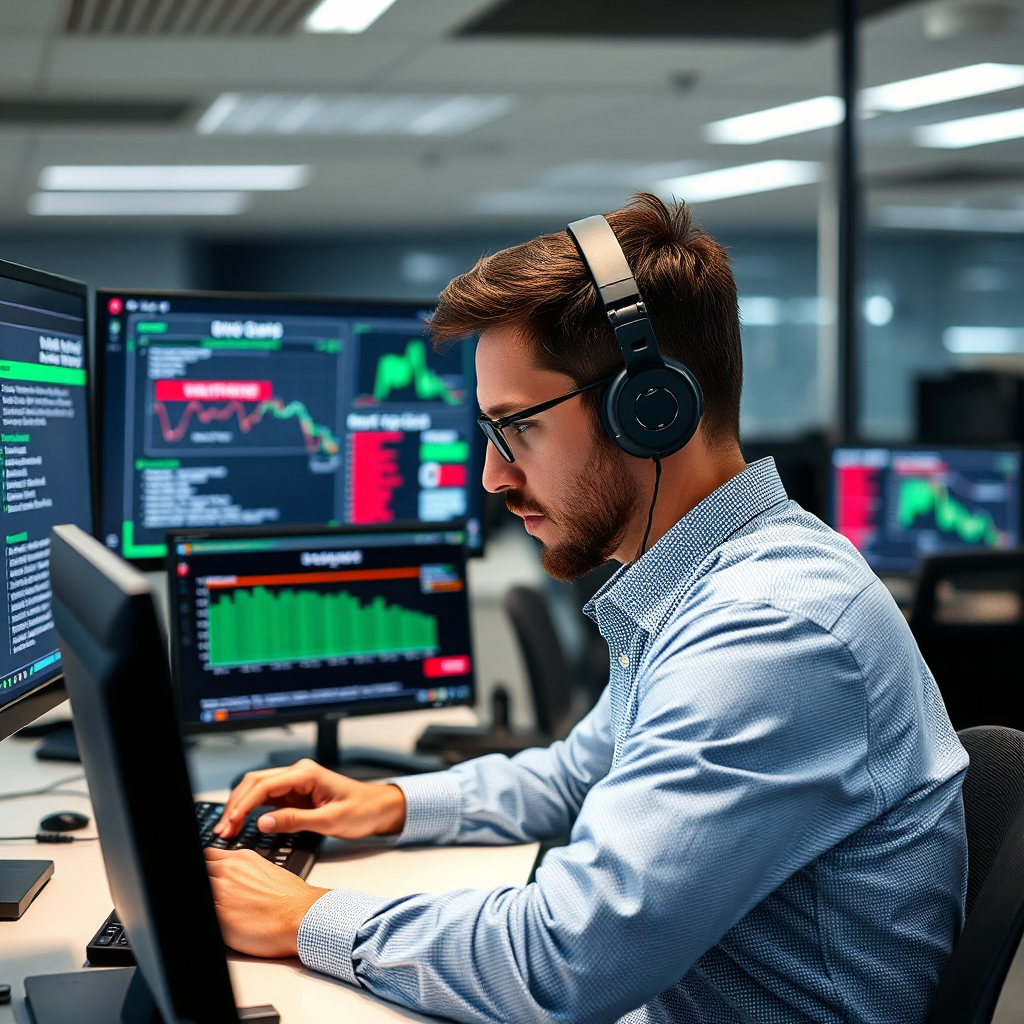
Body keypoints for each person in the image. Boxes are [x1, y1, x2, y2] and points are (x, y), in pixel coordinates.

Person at [204, 194, 968, 1024]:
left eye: (516, 430)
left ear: (650, 410)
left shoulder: (769, 628)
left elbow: (568, 959)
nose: (494, 477)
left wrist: (304, 918)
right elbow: (580, 773)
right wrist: (383, 804)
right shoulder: (702, 582)